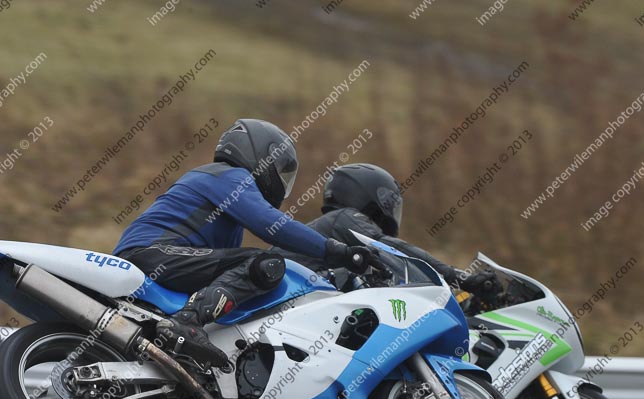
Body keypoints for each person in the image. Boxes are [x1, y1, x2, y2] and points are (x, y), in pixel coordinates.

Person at [113, 119, 381, 368]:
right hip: (152, 253)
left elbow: (241, 275)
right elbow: (272, 225)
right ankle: (187, 322)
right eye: (280, 169)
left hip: (156, 256)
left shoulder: (224, 207)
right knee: (263, 264)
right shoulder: (229, 176)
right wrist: (338, 251)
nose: (281, 181)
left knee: (259, 268)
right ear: (261, 155)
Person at [270, 163, 495, 292]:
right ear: (365, 194)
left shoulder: (340, 237)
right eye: (388, 201)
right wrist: (457, 276)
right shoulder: (345, 218)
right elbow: (390, 247)